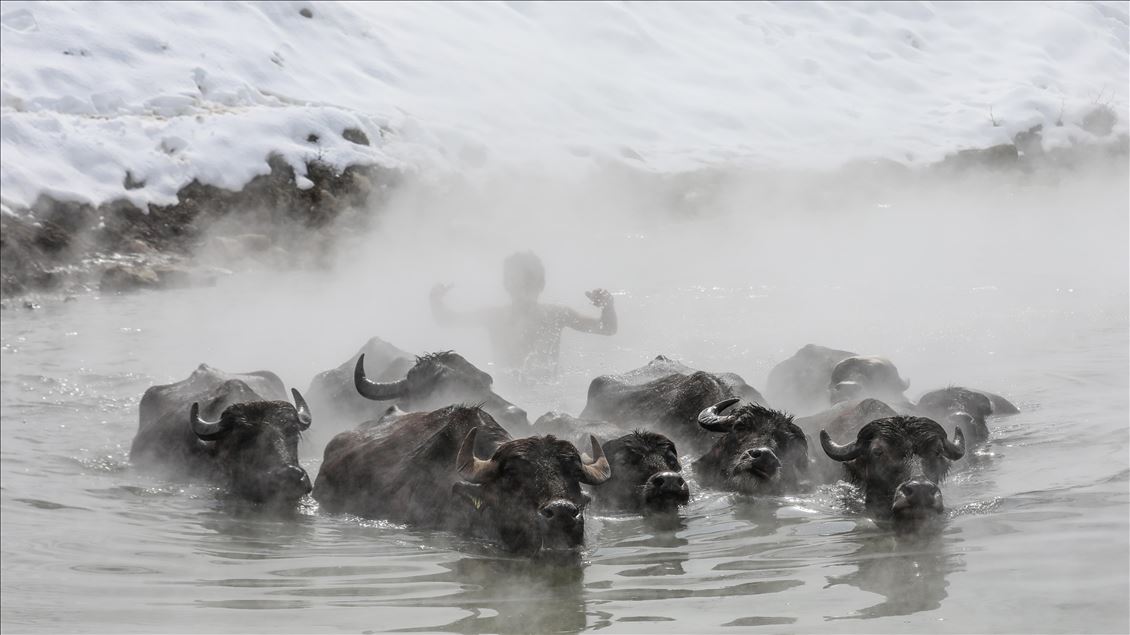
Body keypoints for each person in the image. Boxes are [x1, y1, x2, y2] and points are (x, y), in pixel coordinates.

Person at [430, 251, 617, 378]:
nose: (522, 288)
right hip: (508, 400)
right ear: (506, 284)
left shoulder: (557, 315)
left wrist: (608, 306)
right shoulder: (494, 316)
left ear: (540, 284)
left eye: (528, 281)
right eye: (515, 281)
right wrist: (435, 300)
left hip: (548, 398)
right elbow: (447, 321)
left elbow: (607, 328)